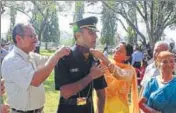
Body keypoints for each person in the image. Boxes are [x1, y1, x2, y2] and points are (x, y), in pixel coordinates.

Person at [1, 23, 70, 113]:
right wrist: (57, 55)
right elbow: (36, 80)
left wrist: (62, 52)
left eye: (35, 36)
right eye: (32, 36)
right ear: (19, 38)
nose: (36, 40)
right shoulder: (12, 61)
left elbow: (47, 61)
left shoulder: (30, 56)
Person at [55, 16, 107, 113]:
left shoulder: (94, 60)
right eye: (91, 33)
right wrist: (91, 76)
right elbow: (66, 93)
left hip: (88, 109)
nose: (96, 36)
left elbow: (101, 93)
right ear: (79, 35)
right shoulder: (65, 57)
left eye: (95, 33)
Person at [90, 42, 139, 113]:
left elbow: (120, 74)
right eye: (116, 48)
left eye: (120, 51)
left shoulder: (130, 70)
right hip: (102, 106)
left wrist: (102, 56)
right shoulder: (104, 63)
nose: (116, 51)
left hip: (119, 109)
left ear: (127, 57)